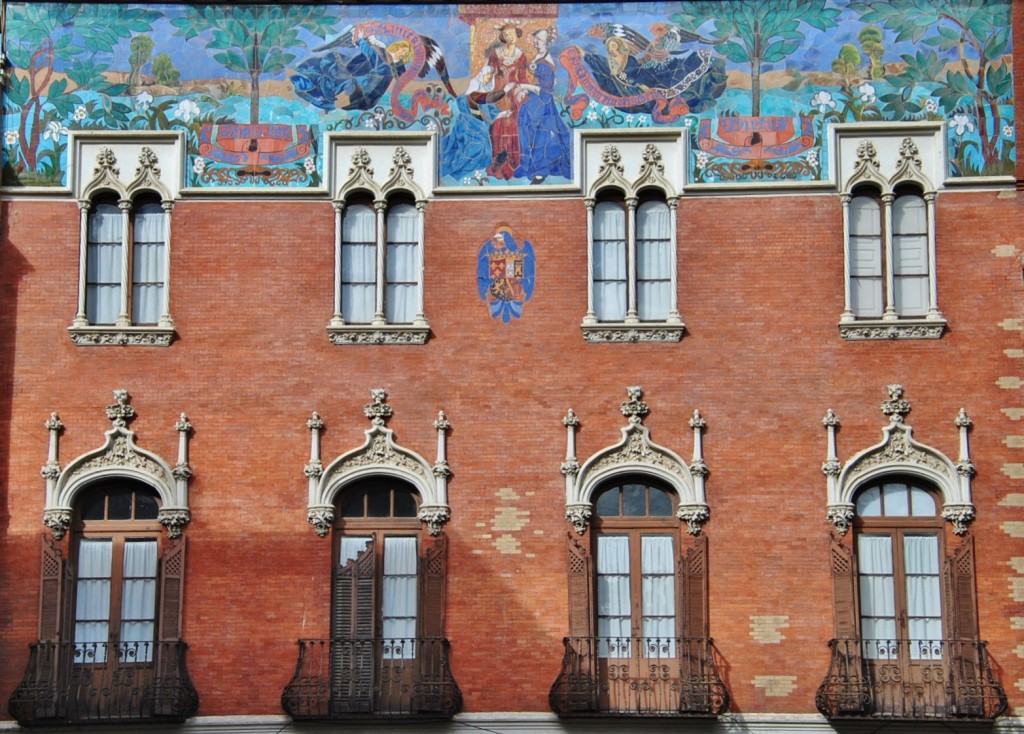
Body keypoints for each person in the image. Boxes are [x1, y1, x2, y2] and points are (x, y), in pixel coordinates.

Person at [514, 28, 571, 183]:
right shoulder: (537, 57)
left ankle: (540, 170)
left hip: (543, 105)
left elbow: (546, 91)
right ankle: (526, 165)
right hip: (531, 103)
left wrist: (524, 87)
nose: (535, 41)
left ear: (545, 42)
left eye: (539, 39)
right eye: (535, 38)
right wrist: (523, 91)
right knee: (525, 130)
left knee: (542, 135)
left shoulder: (547, 62)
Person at [485, 23, 529, 179]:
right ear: (503, 36)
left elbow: (522, 77)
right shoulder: (496, 54)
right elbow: (489, 72)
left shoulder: (521, 55)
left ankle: (514, 161)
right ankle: (498, 159)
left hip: (514, 94)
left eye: (512, 34)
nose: (510, 37)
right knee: (497, 124)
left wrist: (524, 91)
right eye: (507, 34)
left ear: (517, 36)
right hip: (499, 92)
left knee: (515, 126)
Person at [440, 66, 499, 180]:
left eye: (491, 76)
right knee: (478, 147)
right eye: (488, 75)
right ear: (482, 75)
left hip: (479, 126)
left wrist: (500, 114)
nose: (489, 77)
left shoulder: (485, 92)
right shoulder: (473, 93)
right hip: (467, 126)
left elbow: (491, 112)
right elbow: (466, 111)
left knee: (482, 148)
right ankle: (454, 168)